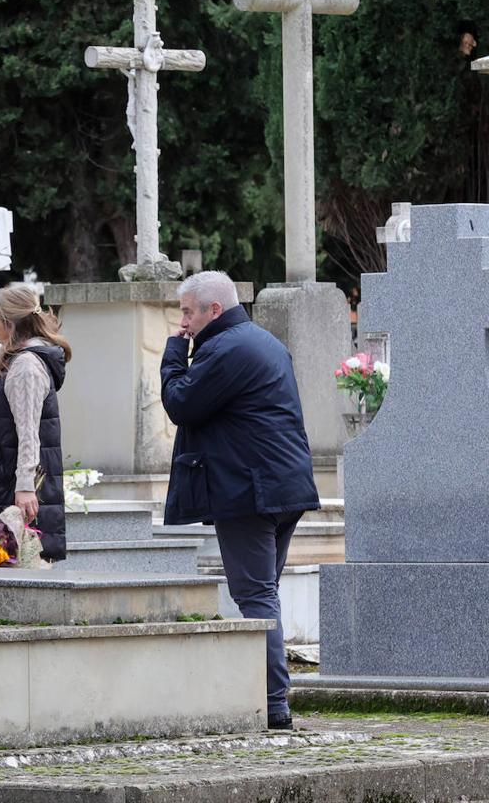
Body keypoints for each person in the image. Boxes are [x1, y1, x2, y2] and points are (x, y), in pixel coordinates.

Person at [160, 271, 319, 731]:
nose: (183, 322)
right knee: (264, 593)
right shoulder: (262, 341)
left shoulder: (226, 349)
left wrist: (174, 355)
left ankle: (272, 705)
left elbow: (181, 404)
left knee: (256, 597)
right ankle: (270, 698)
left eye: (187, 312)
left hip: (250, 492)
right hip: (282, 488)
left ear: (214, 310)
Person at [0, 285, 71, 564]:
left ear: (9, 323)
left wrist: (26, 487)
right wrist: (3, 350)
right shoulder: (13, 361)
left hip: (7, 488)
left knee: (10, 567)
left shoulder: (26, 367)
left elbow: (29, 432)